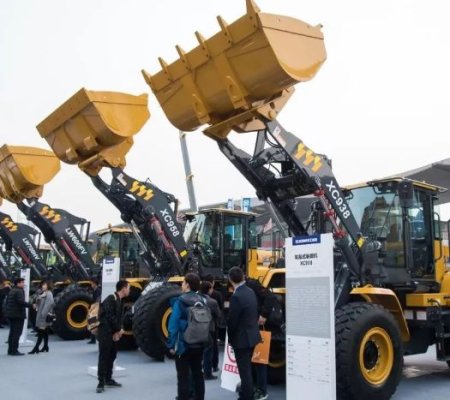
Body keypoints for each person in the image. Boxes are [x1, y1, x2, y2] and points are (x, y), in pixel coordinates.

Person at [167, 273, 205, 400]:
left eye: (183, 282)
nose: (182, 285)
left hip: (183, 344)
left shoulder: (180, 301)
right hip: (199, 342)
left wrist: (171, 345)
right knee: (198, 373)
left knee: (183, 376)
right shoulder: (202, 300)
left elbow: (173, 324)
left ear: (187, 285)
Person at [227, 267, 261, 400]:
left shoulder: (236, 296)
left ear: (230, 279)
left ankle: (247, 397)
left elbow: (232, 321)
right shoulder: (250, 291)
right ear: (243, 277)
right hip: (252, 336)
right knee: (248, 369)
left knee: (244, 372)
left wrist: (230, 338)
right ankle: (248, 393)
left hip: (241, 340)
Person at [246, 278, 283, 400]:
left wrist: (263, 315)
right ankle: (253, 385)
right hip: (249, 329)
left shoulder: (253, 285)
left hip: (259, 329)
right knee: (252, 360)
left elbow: (270, 297)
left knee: (259, 359)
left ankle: (261, 389)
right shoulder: (243, 287)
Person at [96, 280, 129, 394]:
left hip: (113, 333)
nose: (129, 290)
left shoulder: (120, 300)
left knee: (112, 356)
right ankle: (100, 382)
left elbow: (118, 318)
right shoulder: (111, 298)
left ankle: (108, 379)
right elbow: (108, 316)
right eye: (128, 287)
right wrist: (118, 330)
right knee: (104, 357)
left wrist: (117, 331)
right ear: (123, 288)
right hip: (105, 333)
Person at [199, 281, 222, 380]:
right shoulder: (212, 302)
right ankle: (207, 373)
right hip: (209, 328)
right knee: (208, 350)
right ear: (209, 290)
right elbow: (218, 315)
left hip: (195, 328)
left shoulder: (194, 299)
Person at [5, 277, 33, 356]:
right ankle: (14, 350)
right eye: (22, 282)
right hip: (18, 315)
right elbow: (21, 302)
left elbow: (7, 303)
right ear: (18, 283)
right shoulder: (19, 291)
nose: (24, 284)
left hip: (11, 314)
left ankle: (10, 350)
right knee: (17, 333)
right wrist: (31, 305)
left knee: (12, 333)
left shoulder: (12, 291)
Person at [202, 274, 224, 372]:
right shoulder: (217, 295)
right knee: (214, 345)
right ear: (213, 282)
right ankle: (214, 366)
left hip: (200, 325)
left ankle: (204, 365)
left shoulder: (197, 297)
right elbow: (220, 311)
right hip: (213, 324)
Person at [29, 280, 54, 354]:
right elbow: (37, 302)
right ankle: (45, 346)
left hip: (43, 316)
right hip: (41, 315)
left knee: (41, 332)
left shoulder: (49, 294)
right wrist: (40, 297)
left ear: (48, 286)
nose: (43, 286)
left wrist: (43, 314)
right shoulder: (43, 293)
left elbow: (49, 304)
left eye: (45, 285)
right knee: (45, 331)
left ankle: (36, 348)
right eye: (42, 285)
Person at [88, 278, 102, 344]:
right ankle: (93, 339)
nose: (91, 285)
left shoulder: (98, 290)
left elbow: (97, 300)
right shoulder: (95, 290)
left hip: (95, 309)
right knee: (92, 323)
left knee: (94, 324)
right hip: (94, 308)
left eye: (92, 283)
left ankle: (94, 339)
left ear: (94, 283)